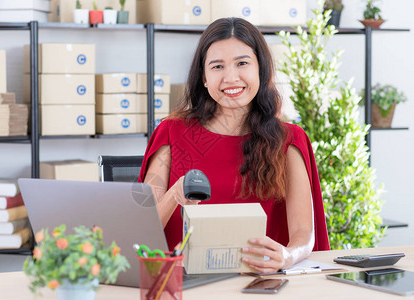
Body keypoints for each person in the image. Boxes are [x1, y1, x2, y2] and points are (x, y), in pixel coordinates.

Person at [138, 17, 330, 273]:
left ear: (261, 70)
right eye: (217, 67)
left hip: (257, 282)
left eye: (242, 63)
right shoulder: (170, 133)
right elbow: (142, 228)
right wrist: (174, 194)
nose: (230, 77)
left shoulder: (289, 140)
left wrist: (287, 255)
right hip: (180, 284)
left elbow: (303, 233)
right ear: (204, 78)